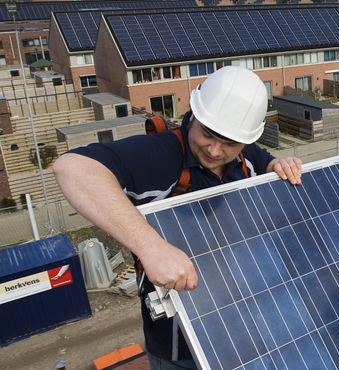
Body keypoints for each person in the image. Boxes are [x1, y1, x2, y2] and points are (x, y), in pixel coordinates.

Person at [53, 66, 302, 370]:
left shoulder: (245, 155)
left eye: (230, 142)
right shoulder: (159, 155)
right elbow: (72, 169)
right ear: (194, 114)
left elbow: (263, 160)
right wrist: (151, 247)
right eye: (208, 134)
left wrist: (279, 163)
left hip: (247, 323)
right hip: (180, 343)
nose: (214, 150)